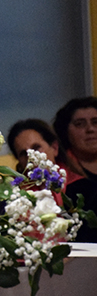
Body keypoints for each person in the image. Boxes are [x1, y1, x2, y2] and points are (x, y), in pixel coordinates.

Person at [52, 97, 97, 242]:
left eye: (96, 122)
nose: (90, 129)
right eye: (80, 124)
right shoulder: (58, 177)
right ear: (65, 131)